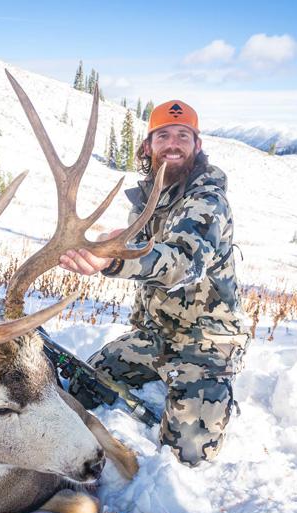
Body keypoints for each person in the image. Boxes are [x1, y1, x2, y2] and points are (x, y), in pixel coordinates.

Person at [59, 100, 251, 466]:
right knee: (80, 388)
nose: (173, 143)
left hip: (205, 344)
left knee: (188, 456)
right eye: (163, 135)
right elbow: (149, 255)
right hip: (154, 337)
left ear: (197, 145)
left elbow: (181, 263)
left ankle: (216, 390)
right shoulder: (151, 200)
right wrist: (112, 243)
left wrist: (116, 258)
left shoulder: (207, 201)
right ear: (148, 146)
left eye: (183, 135)